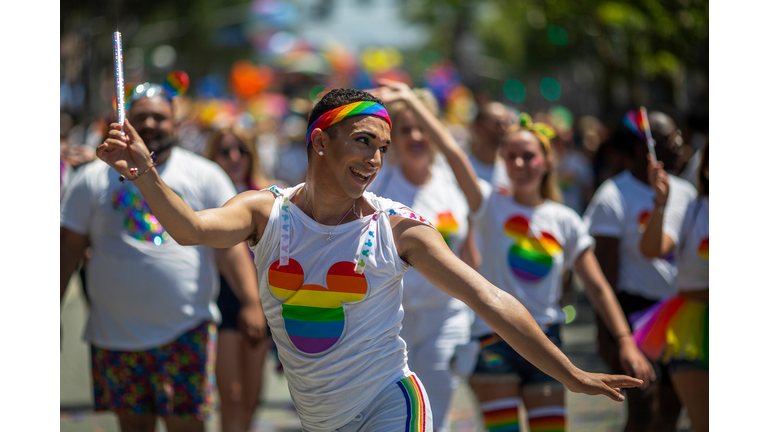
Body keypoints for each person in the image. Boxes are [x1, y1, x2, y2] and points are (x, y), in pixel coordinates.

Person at [96, 87, 642, 432]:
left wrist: (567, 372)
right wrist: (144, 170)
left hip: (393, 403)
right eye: (362, 142)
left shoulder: (397, 228)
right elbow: (192, 229)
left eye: (381, 146)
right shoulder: (266, 213)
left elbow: (489, 298)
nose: (375, 158)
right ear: (319, 143)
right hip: (321, 418)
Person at [372, 80, 653, 432]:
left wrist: (625, 340)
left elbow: (597, 287)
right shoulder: (488, 204)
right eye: (512, 156)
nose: (520, 163)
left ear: (547, 160)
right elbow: (455, 155)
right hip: (492, 343)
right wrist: (416, 104)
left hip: (546, 340)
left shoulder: (565, 219)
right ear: (502, 160)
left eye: (530, 156)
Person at [60, 83, 267, 432]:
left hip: (186, 331)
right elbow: (68, 250)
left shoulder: (205, 175)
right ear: (123, 122)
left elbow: (230, 248)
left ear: (176, 123)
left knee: (186, 427)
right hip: (115, 335)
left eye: (160, 117)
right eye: (141, 118)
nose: (151, 124)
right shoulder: (92, 178)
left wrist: (251, 302)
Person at [366, 88, 475, 432]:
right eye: (405, 129)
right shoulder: (380, 182)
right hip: (390, 320)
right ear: (392, 137)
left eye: (422, 127)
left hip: (446, 317)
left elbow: (471, 255)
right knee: (394, 416)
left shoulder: (452, 183)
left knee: (435, 415)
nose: (415, 136)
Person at [582, 112, 697, 432]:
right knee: (644, 408)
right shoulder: (612, 197)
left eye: (677, 138)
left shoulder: (686, 191)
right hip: (635, 314)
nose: (679, 146)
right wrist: (613, 338)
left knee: (673, 407)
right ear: (642, 149)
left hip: (680, 314)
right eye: (668, 140)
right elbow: (603, 277)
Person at [204, 126, 272, 432]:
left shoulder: (269, 195)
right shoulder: (205, 194)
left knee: (251, 396)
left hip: (264, 301)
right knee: (230, 394)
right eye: (225, 151)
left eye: (241, 150)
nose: (234, 158)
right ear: (213, 156)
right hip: (222, 299)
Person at [638, 142, 709, 432]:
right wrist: (660, 203)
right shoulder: (690, 211)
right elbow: (652, 248)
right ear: (707, 169)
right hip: (693, 326)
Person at [468, 101, 515, 192]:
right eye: (498, 124)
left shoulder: (510, 171)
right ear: (479, 127)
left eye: (506, 124)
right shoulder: (461, 166)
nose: (503, 129)